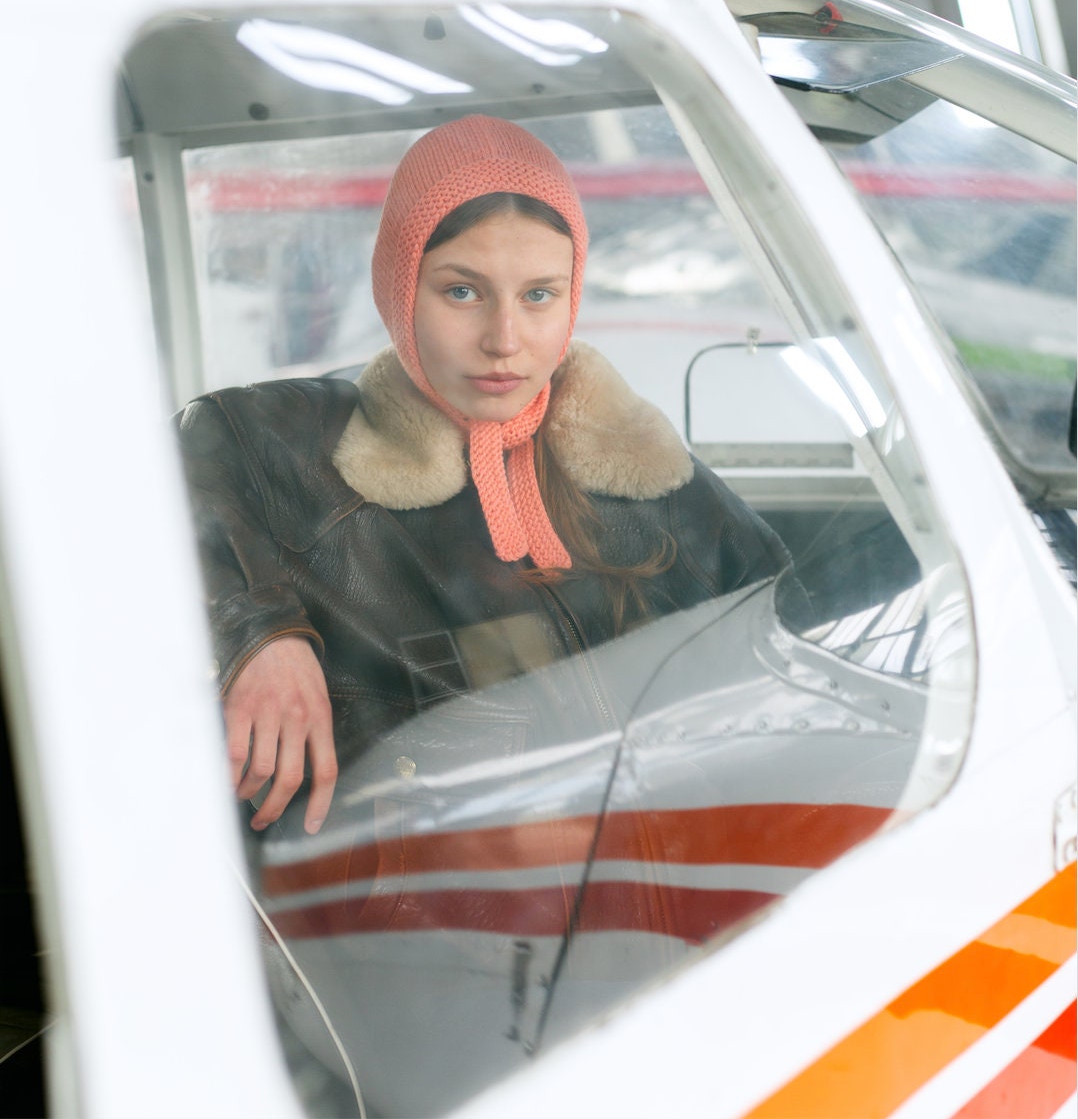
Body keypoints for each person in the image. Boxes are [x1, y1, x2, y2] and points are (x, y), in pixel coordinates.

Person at [177, 115, 795, 838]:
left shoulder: (654, 480)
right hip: (429, 899)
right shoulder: (297, 455)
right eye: (463, 293)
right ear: (399, 289)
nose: (505, 341)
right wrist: (256, 632)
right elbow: (150, 478)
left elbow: (792, 666)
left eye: (539, 295)